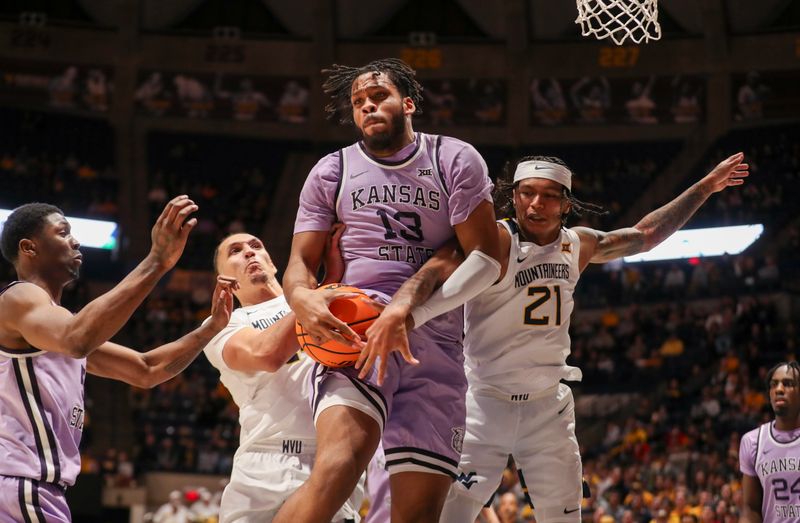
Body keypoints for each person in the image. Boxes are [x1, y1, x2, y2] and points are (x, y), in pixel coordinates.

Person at [374, 152, 749, 523]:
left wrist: (706, 187)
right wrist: (404, 311)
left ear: (566, 204)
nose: (536, 203)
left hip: (547, 407)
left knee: (565, 517)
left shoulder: (579, 245)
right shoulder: (495, 241)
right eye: (527, 192)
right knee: (451, 514)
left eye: (550, 195)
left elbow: (645, 236)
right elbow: (437, 265)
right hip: (484, 403)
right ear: (515, 196)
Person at [275, 58, 502, 523]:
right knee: (337, 470)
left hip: (435, 337)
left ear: (409, 103)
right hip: (354, 331)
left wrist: (409, 311)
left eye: (378, 96)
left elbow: (485, 259)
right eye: (358, 102)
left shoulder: (454, 158)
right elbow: (298, 264)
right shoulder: (330, 170)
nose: (367, 106)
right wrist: (302, 298)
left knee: (418, 515)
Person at [0, 197, 233, 522]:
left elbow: (146, 369)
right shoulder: (19, 297)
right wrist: (156, 262)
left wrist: (210, 328)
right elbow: (77, 337)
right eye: (63, 232)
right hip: (20, 485)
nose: (75, 240)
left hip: (35, 490)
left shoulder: (56, 327)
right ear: (29, 247)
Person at [203, 230, 363, 522]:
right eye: (235, 251)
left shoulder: (325, 298)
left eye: (256, 245)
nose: (249, 252)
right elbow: (267, 354)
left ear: (273, 263)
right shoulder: (223, 325)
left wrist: (326, 285)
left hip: (333, 454)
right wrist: (317, 293)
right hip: (265, 463)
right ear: (224, 280)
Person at [739, 361, 800, 522]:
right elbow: (750, 508)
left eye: (788, 384)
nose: (779, 389)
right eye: (774, 385)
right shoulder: (752, 441)